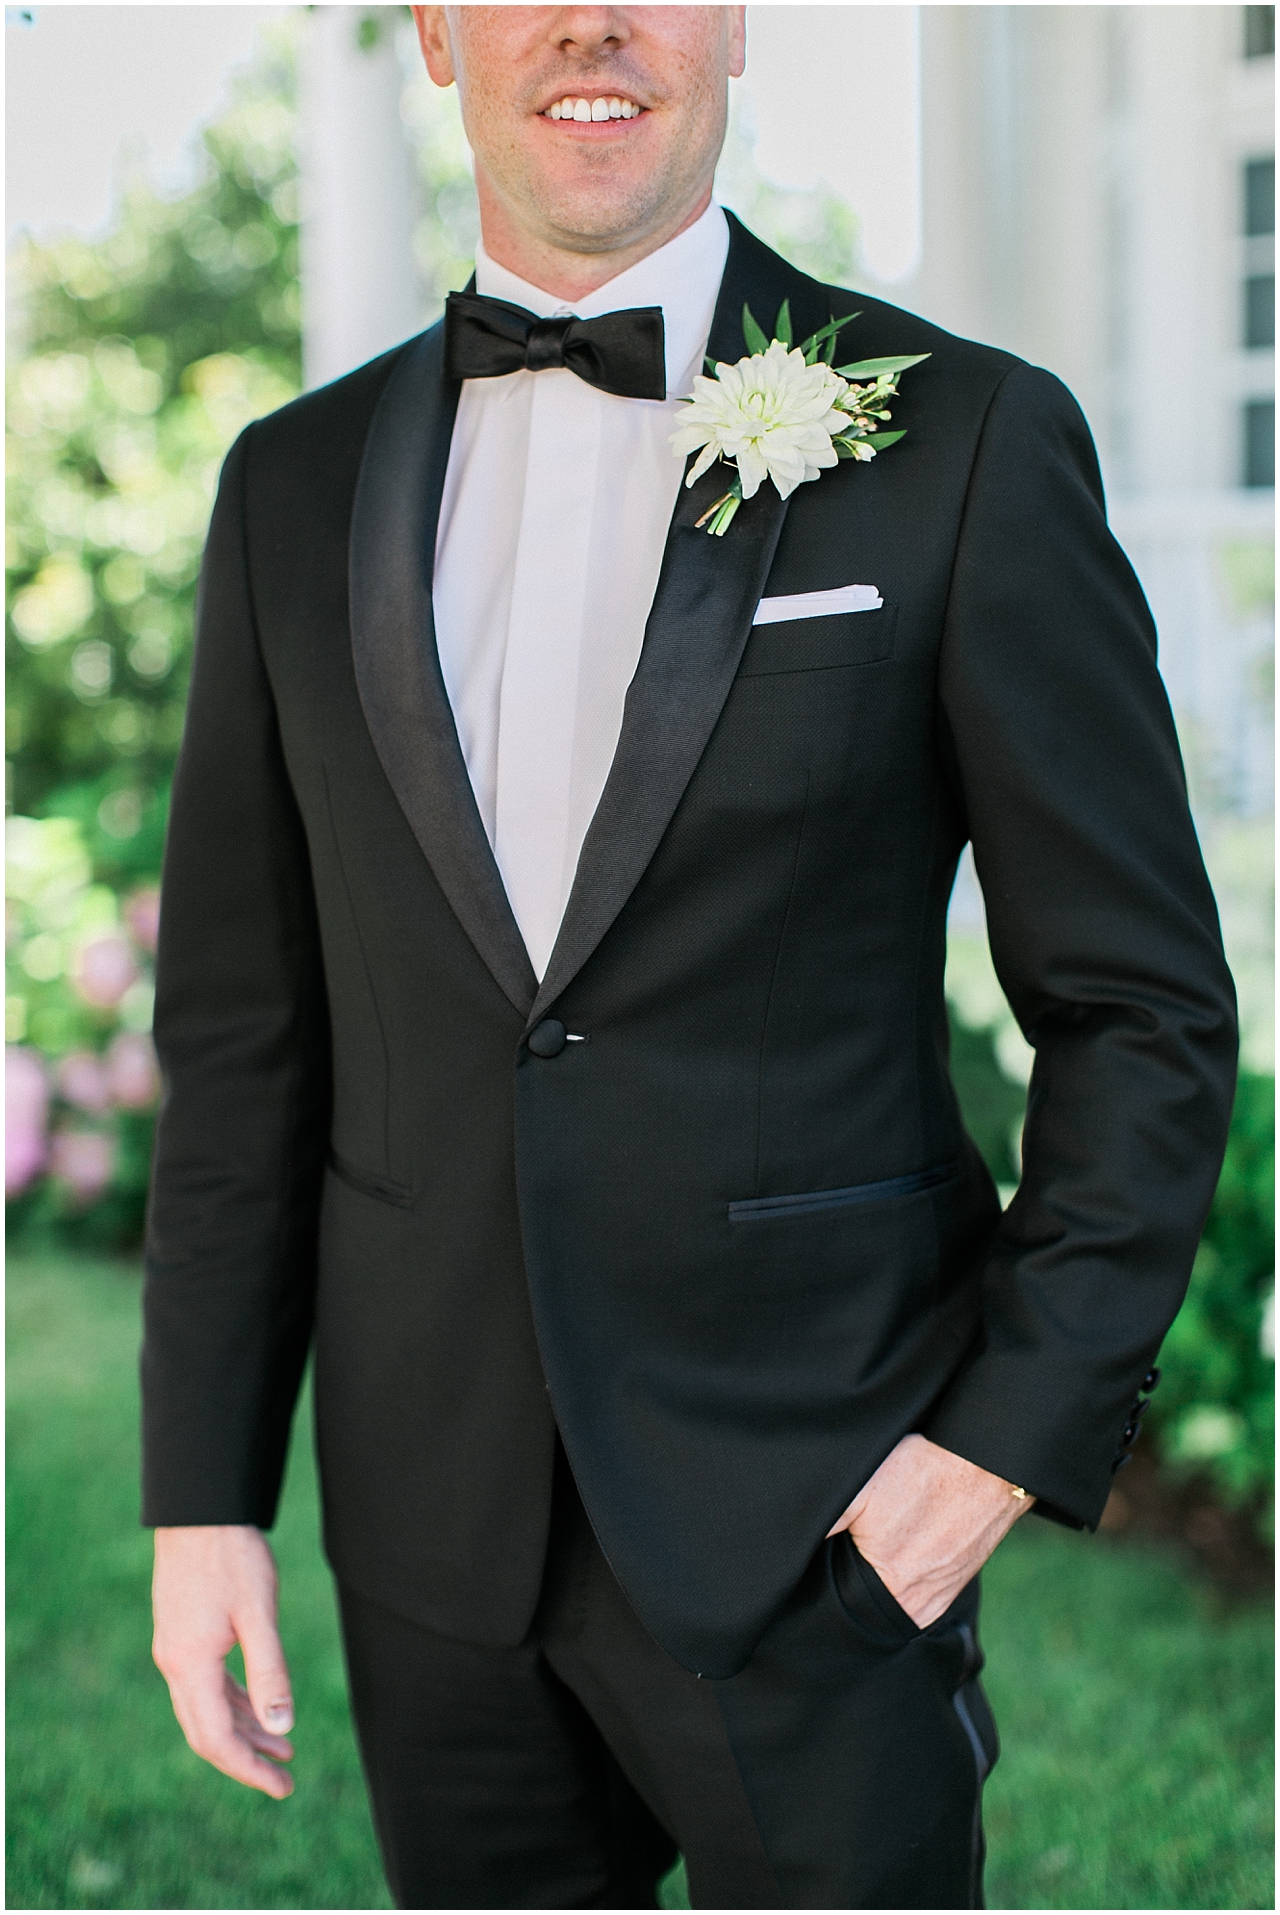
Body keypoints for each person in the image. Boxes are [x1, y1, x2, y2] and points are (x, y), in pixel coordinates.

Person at [142, 7, 1237, 1908]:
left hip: (822, 1522)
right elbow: (247, 1043)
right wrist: (203, 1496)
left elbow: (1138, 1011)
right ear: (433, 35)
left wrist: (994, 1449)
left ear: (731, 24)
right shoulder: (287, 490)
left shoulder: (966, 437)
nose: (594, 23)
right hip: (431, 1543)